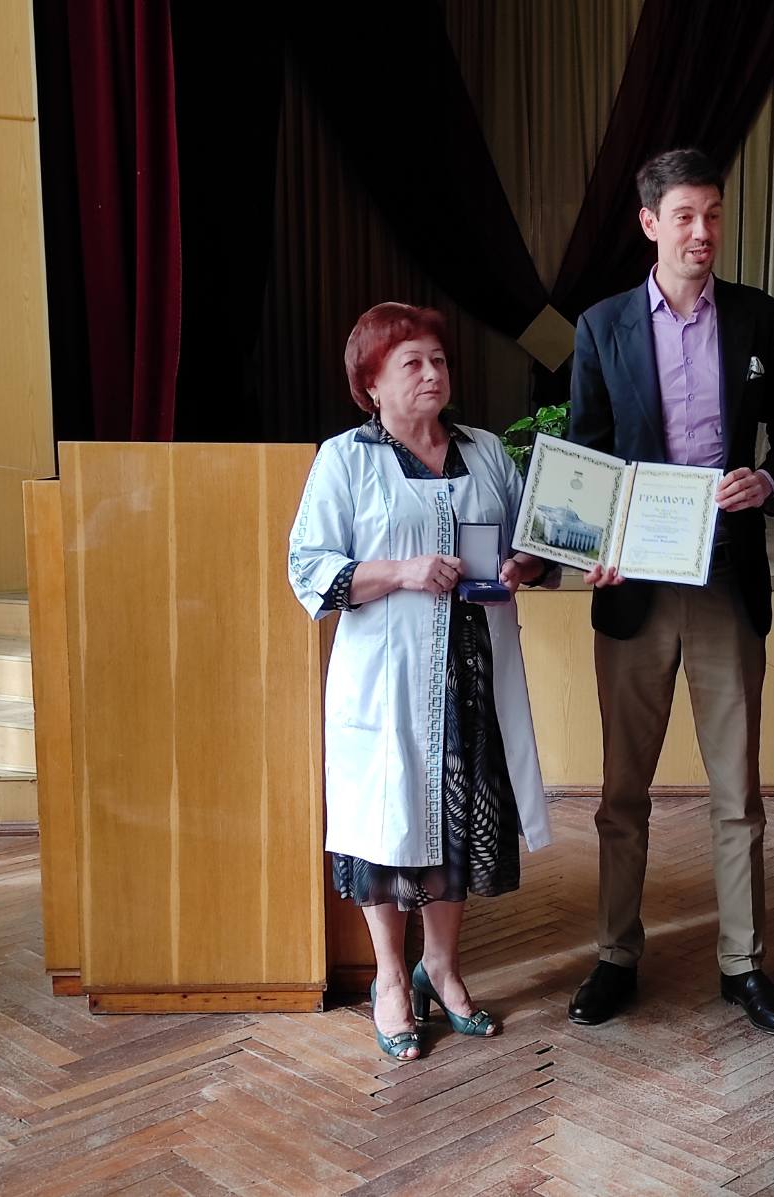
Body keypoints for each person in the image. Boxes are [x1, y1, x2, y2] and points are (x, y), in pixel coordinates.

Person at [565, 148, 774, 1035]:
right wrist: (593, 545)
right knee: (622, 792)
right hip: (633, 586)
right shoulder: (602, 326)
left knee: (737, 791)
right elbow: (587, 454)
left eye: (713, 214)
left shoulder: (760, 318)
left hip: (724, 579)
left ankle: (744, 964)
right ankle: (615, 954)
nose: (703, 232)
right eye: (685, 216)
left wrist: (767, 481)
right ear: (650, 223)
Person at [288, 302, 556, 1061]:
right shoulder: (346, 459)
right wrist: (402, 571)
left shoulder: (484, 451)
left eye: (438, 359)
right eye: (412, 363)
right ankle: (390, 980)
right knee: (388, 823)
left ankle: (441, 966)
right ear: (370, 383)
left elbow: (530, 543)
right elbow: (309, 567)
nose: (432, 373)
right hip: (389, 680)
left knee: (458, 820)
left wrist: (524, 563)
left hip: (473, 675)